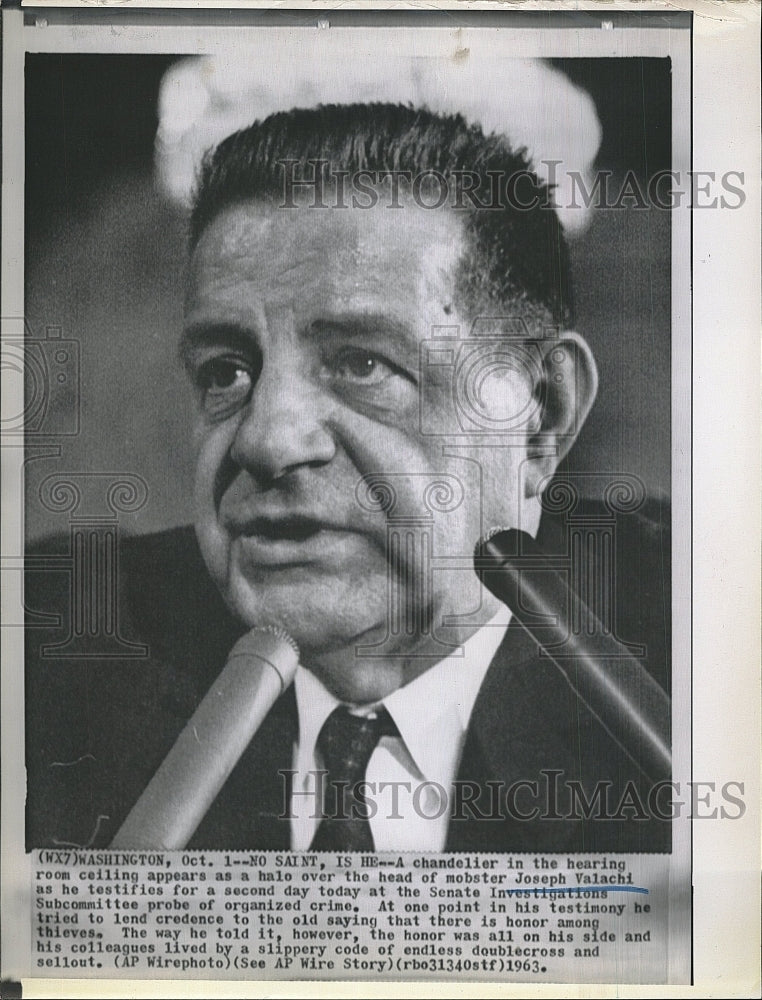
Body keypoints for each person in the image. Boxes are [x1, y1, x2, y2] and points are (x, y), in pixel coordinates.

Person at [25, 103, 670, 853]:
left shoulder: (707, 658)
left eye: (363, 364)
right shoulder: (49, 647)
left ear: (540, 414)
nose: (267, 441)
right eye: (226, 371)